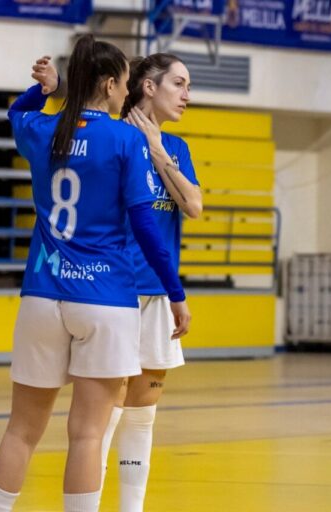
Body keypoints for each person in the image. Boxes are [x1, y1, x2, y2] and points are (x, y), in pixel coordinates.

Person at [0, 35, 190, 512]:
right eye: (126, 83)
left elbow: (16, 112)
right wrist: (175, 292)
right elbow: (145, 225)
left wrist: (47, 91)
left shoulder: (42, 129)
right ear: (112, 84)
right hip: (104, 297)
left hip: (41, 292)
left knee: (20, 430)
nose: (128, 92)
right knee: (88, 434)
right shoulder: (126, 138)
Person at [98, 53, 201, 512]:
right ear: (148, 88)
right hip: (113, 290)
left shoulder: (176, 147)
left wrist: (159, 151)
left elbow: (194, 206)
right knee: (103, 414)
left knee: (143, 414)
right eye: (179, 84)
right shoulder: (113, 137)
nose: (187, 95)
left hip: (158, 292)